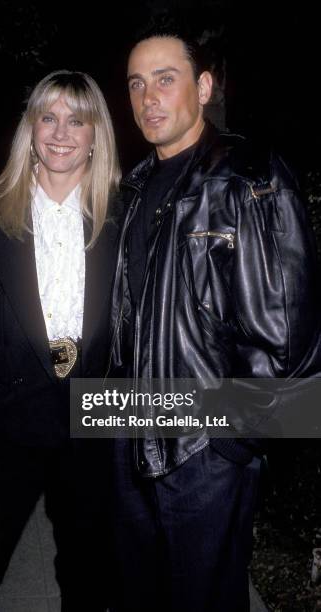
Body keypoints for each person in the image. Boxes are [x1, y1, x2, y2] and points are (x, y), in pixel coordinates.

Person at [108, 28, 321, 612]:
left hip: (205, 443)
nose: (148, 97)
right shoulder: (135, 186)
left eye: (165, 79)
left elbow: (288, 333)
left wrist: (234, 441)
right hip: (130, 429)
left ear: (203, 87)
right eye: (136, 83)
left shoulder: (251, 177)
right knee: (143, 592)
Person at [0, 70, 121, 611]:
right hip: (8, 425)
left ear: (96, 136)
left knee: (90, 576)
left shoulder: (124, 217)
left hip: (93, 428)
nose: (62, 131)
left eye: (78, 119)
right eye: (48, 116)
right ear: (31, 130)